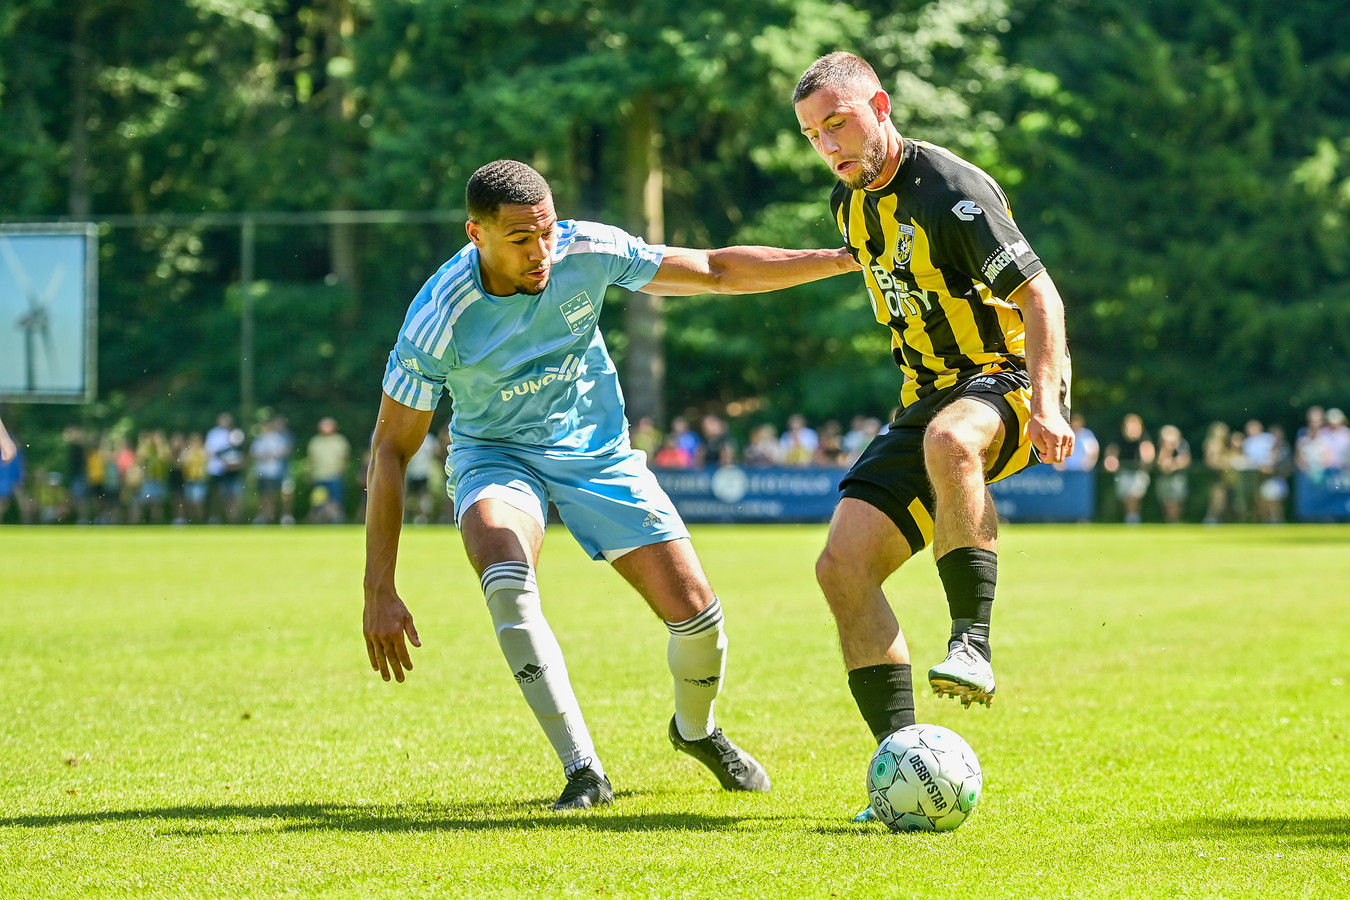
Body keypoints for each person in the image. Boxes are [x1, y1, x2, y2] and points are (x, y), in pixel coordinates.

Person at [362, 159, 857, 811]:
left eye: (546, 231)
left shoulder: (587, 247)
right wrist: (379, 589)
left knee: (699, 616)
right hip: (496, 454)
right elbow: (392, 449)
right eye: (520, 239)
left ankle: (696, 731)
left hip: (597, 454)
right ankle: (583, 770)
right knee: (507, 581)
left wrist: (845, 259)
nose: (541, 251)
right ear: (475, 234)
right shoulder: (438, 316)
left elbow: (714, 271)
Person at [792, 52, 1074, 820]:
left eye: (839, 123)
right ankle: (906, 767)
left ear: (879, 105)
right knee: (841, 568)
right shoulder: (847, 206)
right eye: (815, 135)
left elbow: (1040, 297)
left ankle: (972, 644)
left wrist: (1047, 404)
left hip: (1005, 377)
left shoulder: (951, 188)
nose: (830, 145)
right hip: (922, 400)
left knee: (954, 441)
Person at [1103, 414, 1154, 524]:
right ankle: (1130, 517)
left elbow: (1148, 454)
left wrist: (1146, 459)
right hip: (1123, 472)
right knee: (1126, 498)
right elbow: (1111, 453)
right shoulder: (1118, 438)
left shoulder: (1143, 439)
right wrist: (1111, 462)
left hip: (1138, 472)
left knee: (1134, 495)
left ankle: (1133, 518)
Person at [306, 416, 351, 523]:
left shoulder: (340, 440)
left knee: (336, 500)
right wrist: (309, 474)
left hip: (334, 475)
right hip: (318, 476)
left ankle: (336, 519)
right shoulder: (315, 441)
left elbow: (344, 458)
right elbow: (311, 459)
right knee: (318, 502)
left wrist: (341, 471)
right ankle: (321, 520)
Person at [1153, 424, 1191, 524]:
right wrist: (1166, 449)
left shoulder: (1182, 444)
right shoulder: (1160, 445)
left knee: (1177, 501)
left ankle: (1175, 521)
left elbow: (1185, 460)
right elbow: (1160, 463)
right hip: (1163, 478)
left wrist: (1173, 464)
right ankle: (1170, 521)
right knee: (1166, 502)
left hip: (1177, 478)